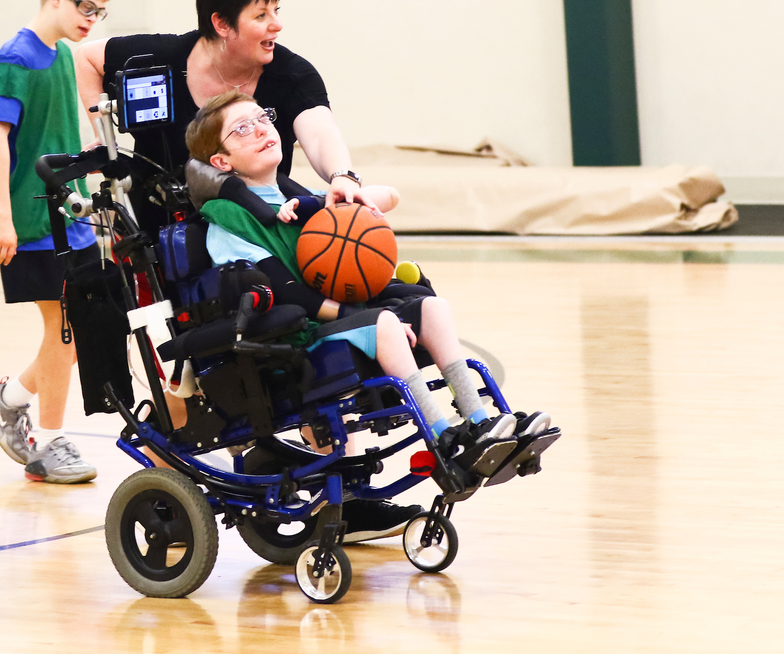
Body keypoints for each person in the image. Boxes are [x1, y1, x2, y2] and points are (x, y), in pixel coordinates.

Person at [74, 0, 420, 539]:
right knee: (184, 379)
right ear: (222, 24)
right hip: (173, 244)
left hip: (263, 229)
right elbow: (85, 56)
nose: (276, 25)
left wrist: (345, 179)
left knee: (322, 322)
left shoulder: (288, 73)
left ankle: (347, 484)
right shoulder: (157, 57)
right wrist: (103, 154)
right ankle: (172, 501)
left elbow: (317, 129)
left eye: (277, 11)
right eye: (262, 15)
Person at [185, 92, 552, 448]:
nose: (263, 128)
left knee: (432, 307)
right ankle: (442, 436)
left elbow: (391, 196)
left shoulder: (297, 195)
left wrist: (332, 200)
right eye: (244, 128)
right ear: (221, 162)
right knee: (386, 323)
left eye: (263, 117)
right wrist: (361, 314)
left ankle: (478, 423)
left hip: (340, 318)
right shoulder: (228, 221)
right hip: (296, 335)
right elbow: (288, 293)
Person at [0, 0, 113, 484]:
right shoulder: (16, 58)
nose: (92, 20)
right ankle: (47, 444)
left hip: (66, 213)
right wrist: (2, 218)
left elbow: (64, 129)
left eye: (100, 13)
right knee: (67, 326)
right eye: (86, 8)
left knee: (78, 326)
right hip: (30, 219)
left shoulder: (63, 56)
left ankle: (6, 397)